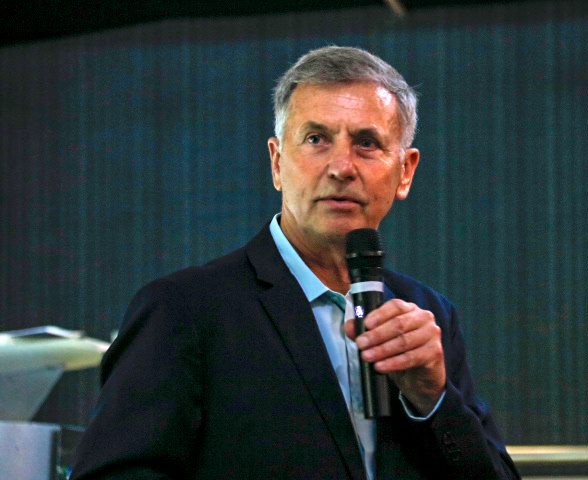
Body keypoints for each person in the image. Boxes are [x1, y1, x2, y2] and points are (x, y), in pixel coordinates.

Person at [69, 46, 520, 480]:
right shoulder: (184, 309)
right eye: (316, 139)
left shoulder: (430, 315)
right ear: (277, 162)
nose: (342, 166)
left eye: (366, 143)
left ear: (405, 172)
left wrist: (433, 398)